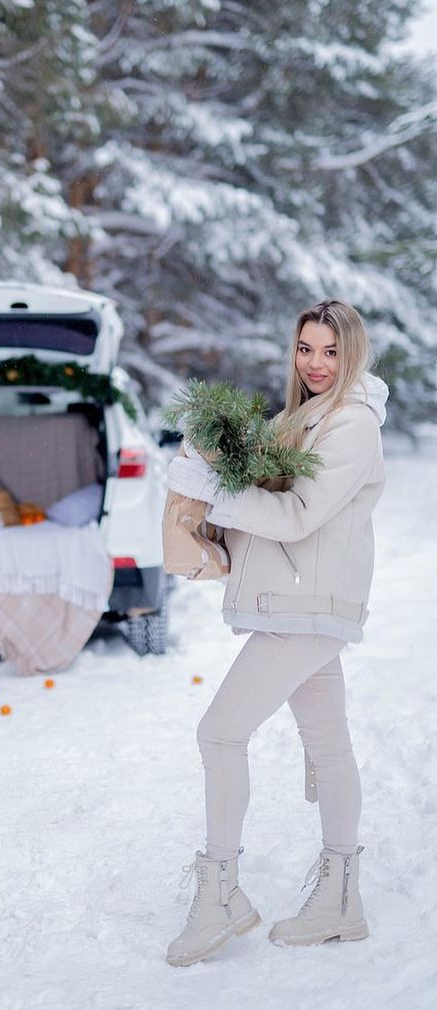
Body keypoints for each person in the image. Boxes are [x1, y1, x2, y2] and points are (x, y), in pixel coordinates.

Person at [164, 299, 388, 967]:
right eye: (305, 348)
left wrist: (217, 489)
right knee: (328, 745)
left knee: (220, 731)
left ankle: (222, 891)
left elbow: (294, 516)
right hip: (300, 601)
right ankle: (341, 900)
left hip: (308, 605)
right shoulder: (301, 419)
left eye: (330, 351)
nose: (316, 363)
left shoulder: (351, 426)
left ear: (353, 354)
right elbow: (269, 496)